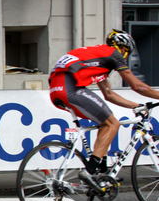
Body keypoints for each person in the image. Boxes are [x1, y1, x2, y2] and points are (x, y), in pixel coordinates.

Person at [49, 29, 159, 191]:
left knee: (104, 123)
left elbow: (108, 94)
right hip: (70, 88)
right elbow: (137, 85)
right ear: (124, 47)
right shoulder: (114, 54)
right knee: (112, 124)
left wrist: (135, 106)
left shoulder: (99, 57)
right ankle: (90, 171)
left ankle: (101, 170)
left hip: (56, 90)